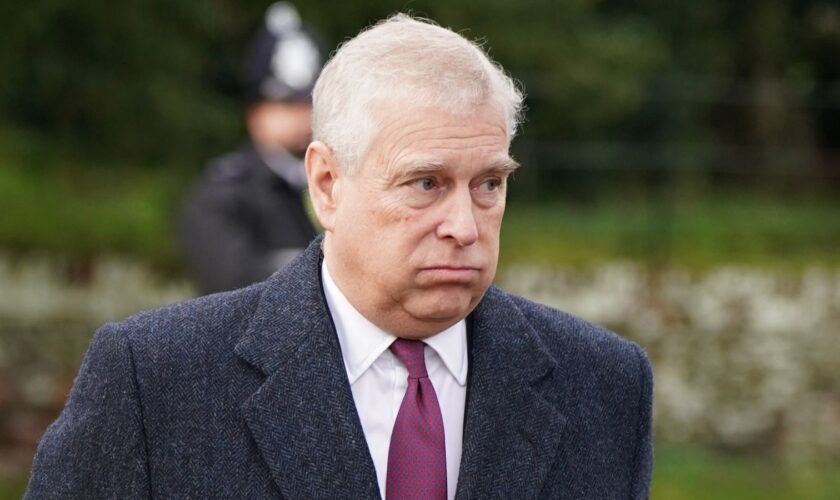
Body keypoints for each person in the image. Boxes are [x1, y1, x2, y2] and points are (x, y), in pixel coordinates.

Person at [26, 14, 653, 499]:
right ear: (326, 184)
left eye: (489, 183)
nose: (464, 225)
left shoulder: (604, 385)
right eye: (425, 183)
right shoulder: (155, 381)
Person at [179, 2, 322, 295]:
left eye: (309, 102)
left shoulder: (342, 185)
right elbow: (231, 287)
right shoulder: (221, 196)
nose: (302, 116)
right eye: (286, 104)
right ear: (255, 112)